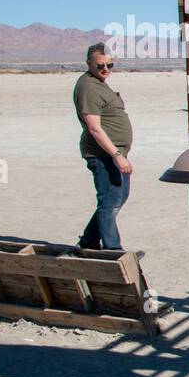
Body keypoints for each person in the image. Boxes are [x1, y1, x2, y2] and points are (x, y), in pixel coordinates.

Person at [74, 43, 134, 251]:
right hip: (103, 154)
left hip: (113, 152)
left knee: (118, 197)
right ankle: (112, 250)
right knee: (110, 201)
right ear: (89, 63)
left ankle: (89, 241)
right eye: (100, 66)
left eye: (110, 65)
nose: (106, 70)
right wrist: (117, 155)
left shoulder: (99, 83)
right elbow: (95, 128)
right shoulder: (88, 87)